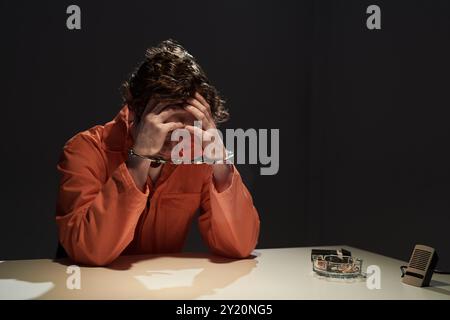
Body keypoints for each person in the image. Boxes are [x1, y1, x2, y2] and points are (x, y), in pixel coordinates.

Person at [55, 39, 260, 266]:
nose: (176, 143)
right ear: (134, 111)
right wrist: (138, 160)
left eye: (187, 129)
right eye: (165, 127)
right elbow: (88, 251)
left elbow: (240, 246)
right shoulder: (85, 150)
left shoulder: (196, 151)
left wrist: (221, 165)